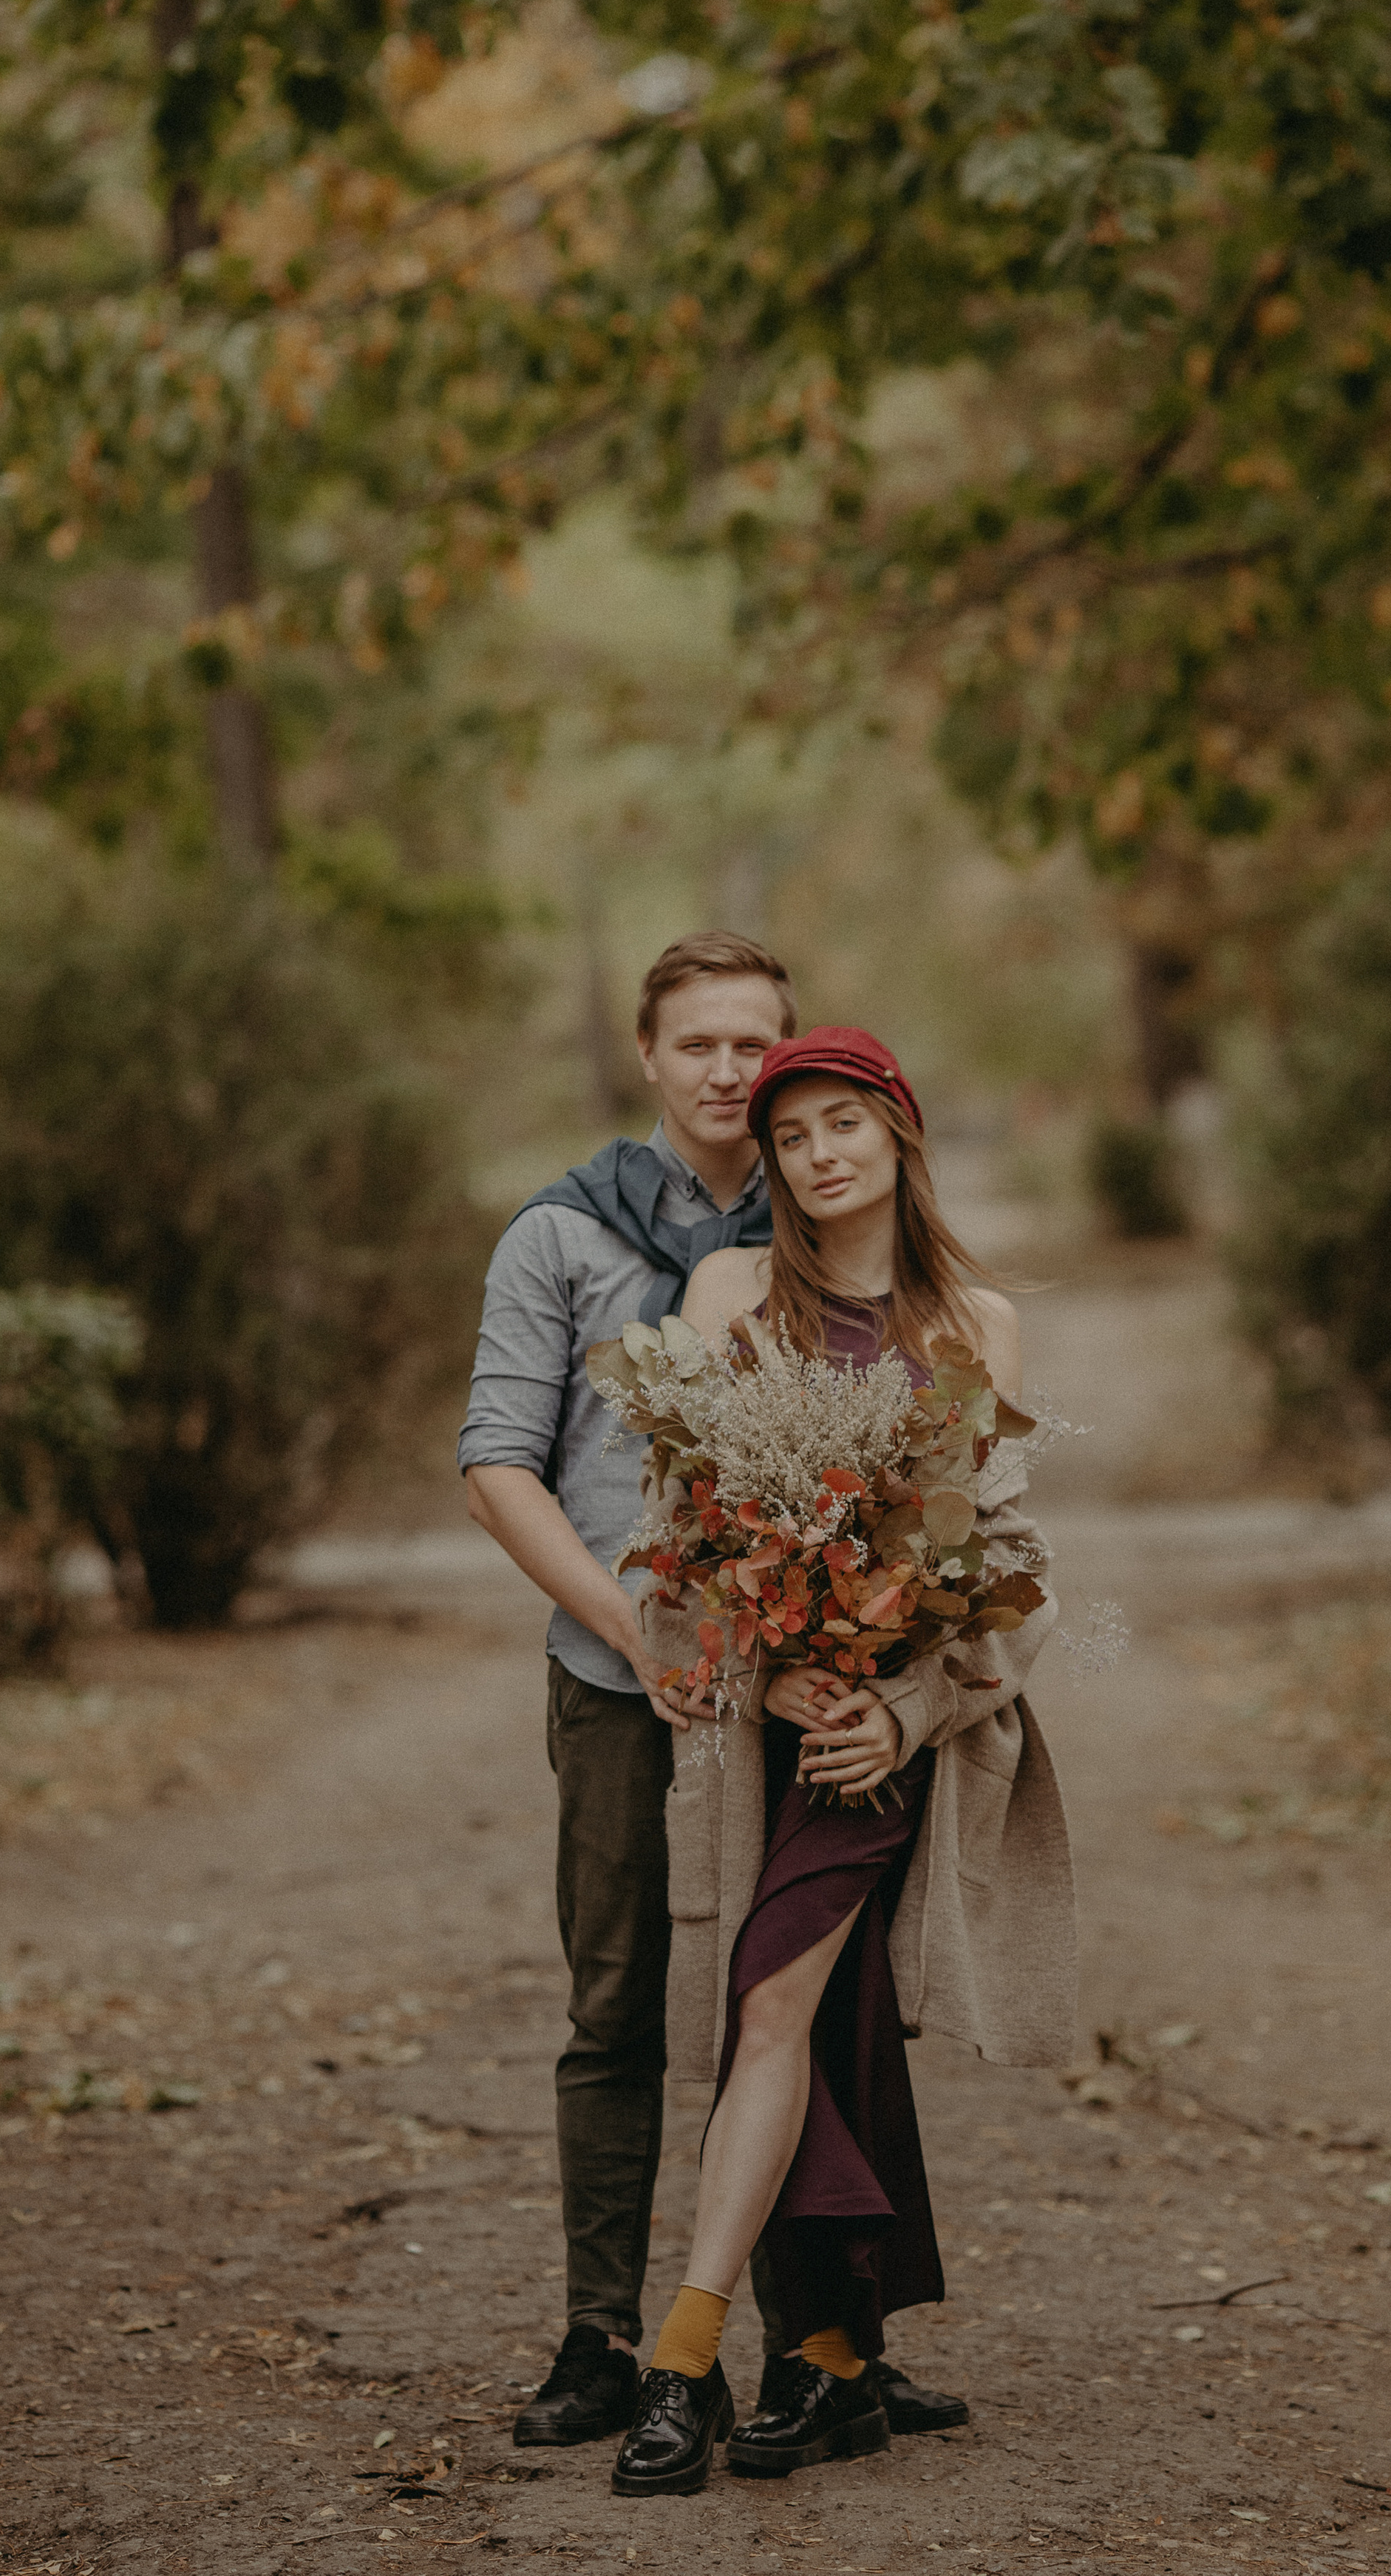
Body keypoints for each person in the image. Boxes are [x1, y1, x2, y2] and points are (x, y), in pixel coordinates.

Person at [459, 948, 966, 2455]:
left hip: (803, 1692)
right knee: (623, 2003)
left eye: (759, 1041)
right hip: (629, 1682)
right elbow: (498, 1464)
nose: (733, 1072)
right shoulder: (561, 1236)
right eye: (699, 1042)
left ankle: (825, 2344)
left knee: (805, 2004)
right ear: (646, 1053)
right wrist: (636, 1629)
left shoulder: (816, 1209)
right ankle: (603, 2338)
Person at [606, 1026, 1078, 2498]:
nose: (814, 1154)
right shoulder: (732, 1294)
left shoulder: (968, 1323)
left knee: (773, 2003)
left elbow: (1006, 1563)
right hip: (774, 1730)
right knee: (822, 2015)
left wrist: (911, 1711)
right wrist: (768, 1655)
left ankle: (682, 2361)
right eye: (787, 1134)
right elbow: (685, 1525)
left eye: (839, 1124)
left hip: (885, 1746)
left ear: (896, 1134)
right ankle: (831, 2357)